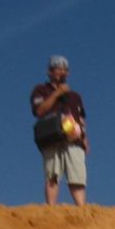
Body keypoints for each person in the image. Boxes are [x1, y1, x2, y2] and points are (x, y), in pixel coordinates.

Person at [30, 55, 88, 205]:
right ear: (50, 72)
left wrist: (85, 138)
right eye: (58, 69)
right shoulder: (40, 90)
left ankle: (82, 210)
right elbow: (39, 111)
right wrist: (57, 94)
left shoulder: (75, 96)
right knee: (52, 176)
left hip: (73, 139)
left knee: (77, 177)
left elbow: (81, 119)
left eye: (65, 69)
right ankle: (51, 209)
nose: (62, 72)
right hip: (51, 138)